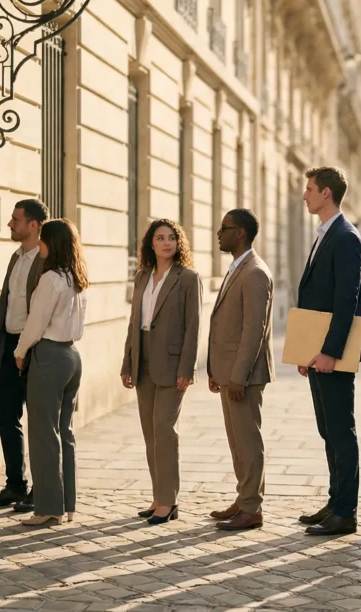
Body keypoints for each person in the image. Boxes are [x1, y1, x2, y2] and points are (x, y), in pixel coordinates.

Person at [296, 166, 361, 536]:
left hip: (334, 354)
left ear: (326, 193)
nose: (304, 195)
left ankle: (346, 512)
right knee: (328, 429)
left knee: (341, 430)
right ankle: (334, 501)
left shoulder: (346, 237)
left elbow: (346, 301)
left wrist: (329, 352)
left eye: (309, 189)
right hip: (317, 351)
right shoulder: (326, 234)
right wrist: (306, 349)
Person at [121, 219, 202, 525]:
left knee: (164, 430)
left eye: (172, 237)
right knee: (151, 433)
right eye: (160, 238)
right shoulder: (142, 276)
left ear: (178, 243)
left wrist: (187, 368)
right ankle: (158, 496)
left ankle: (168, 501)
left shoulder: (188, 278)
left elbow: (193, 326)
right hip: (143, 361)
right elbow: (134, 322)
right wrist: (127, 362)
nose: (167, 243)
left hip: (172, 365)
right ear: (150, 244)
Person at [13, 219, 88, 527]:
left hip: (49, 356)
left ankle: (48, 509)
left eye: (43, 239)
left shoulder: (50, 279)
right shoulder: (77, 278)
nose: (39, 243)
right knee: (65, 433)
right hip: (72, 357)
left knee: (44, 435)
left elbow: (36, 323)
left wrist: (20, 353)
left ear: (50, 244)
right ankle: (67, 505)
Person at [207, 209, 274, 532]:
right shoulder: (239, 267)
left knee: (247, 440)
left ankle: (252, 508)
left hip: (243, 376)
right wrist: (216, 370)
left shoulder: (255, 272)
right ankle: (244, 497)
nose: (219, 233)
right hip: (229, 372)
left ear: (241, 233)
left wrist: (238, 376)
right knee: (237, 441)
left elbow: (253, 331)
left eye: (225, 228)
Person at [0, 199, 47, 512]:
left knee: (39, 419)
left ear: (32, 225)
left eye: (15, 219)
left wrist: (27, 347)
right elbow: (5, 304)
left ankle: (42, 488)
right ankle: (15, 485)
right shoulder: (16, 257)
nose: (10, 223)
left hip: (35, 347)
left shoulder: (45, 260)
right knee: (6, 415)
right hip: (9, 345)